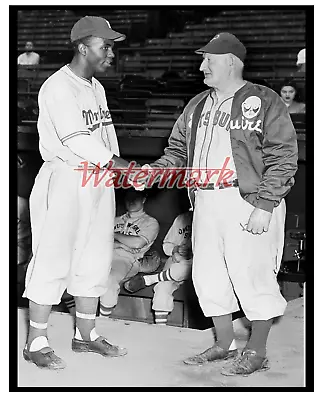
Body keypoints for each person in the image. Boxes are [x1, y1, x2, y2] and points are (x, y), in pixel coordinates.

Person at [139, 32, 298, 376]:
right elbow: (178, 153)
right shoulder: (197, 104)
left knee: (252, 274)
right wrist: (154, 172)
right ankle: (224, 343)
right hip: (205, 200)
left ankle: (256, 351)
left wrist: (266, 204)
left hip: (247, 200)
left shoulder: (263, 99)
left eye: (209, 60)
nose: (201, 66)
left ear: (231, 61)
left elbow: (284, 156)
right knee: (208, 275)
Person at [22, 16, 141, 370]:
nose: (111, 53)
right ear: (82, 47)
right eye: (105, 46)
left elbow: (104, 139)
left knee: (95, 257)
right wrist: (125, 167)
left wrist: (118, 174)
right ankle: (36, 341)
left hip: (97, 180)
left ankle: (85, 335)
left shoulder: (95, 88)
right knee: (53, 257)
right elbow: (78, 140)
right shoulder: (58, 86)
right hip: (67, 178)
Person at [124, 211, 194, 325]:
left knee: (188, 266)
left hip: (197, 267)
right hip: (176, 262)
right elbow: (167, 245)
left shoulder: (211, 219)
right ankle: (160, 330)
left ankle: (150, 279)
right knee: (161, 288)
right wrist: (175, 250)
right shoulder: (182, 218)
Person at [99, 188, 160, 316]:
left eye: (136, 197)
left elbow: (137, 243)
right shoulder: (115, 219)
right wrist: (122, 243)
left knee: (110, 280)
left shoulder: (150, 222)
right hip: (104, 254)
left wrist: (112, 236)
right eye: (129, 197)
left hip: (126, 259)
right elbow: (99, 239)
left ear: (144, 199)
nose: (131, 201)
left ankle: (103, 320)